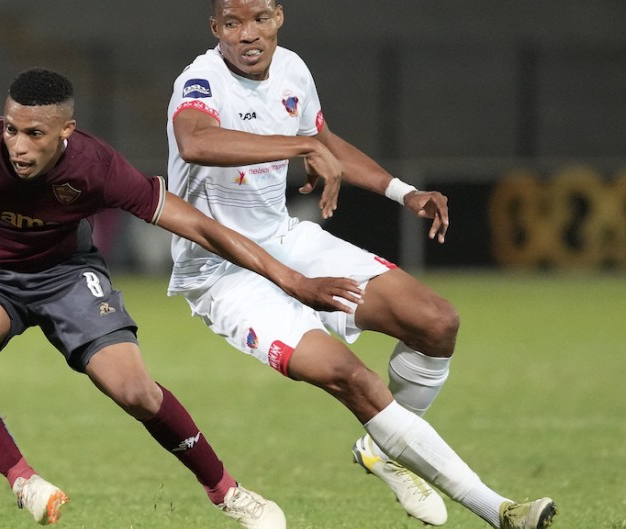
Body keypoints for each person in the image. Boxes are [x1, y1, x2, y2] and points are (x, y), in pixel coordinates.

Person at [0, 67, 363, 528]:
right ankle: (24, 481)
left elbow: (201, 227)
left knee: (135, 390)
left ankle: (229, 493)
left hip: (67, 276)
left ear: (65, 132)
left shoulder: (98, 167)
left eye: (34, 133)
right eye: (11, 128)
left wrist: (290, 280)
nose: (18, 145)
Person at [165, 1, 557, 529]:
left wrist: (403, 192)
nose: (248, 34)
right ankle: (500, 510)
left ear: (279, 16)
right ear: (216, 29)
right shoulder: (201, 80)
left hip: (284, 238)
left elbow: (325, 143)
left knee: (436, 321)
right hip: (221, 271)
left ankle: (382, 451)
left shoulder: (293, 70)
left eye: (259, 18)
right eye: (233, 23)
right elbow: (195, 141)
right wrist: (302, 143)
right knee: (348, 375)